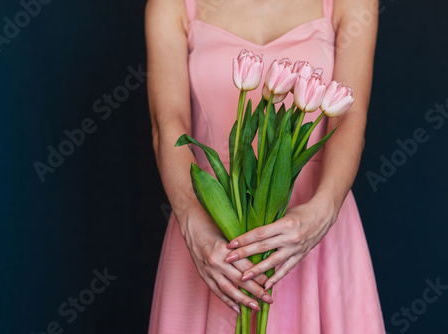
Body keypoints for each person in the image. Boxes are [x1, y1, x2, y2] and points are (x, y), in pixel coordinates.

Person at [145, 0, 385, 332]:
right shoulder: (172, 5)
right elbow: (168, 123)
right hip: (210, 228)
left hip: (312, 220)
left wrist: (323, 210)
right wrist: (192, 224)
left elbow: (350, 119)